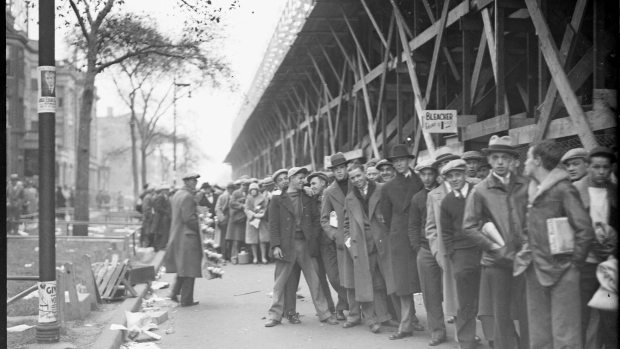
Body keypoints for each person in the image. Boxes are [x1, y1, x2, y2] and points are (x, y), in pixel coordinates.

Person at [514, 140, 594, 348]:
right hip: (535, 270)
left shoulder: (563, 189)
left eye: (529, 158)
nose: (525, 163)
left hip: (563, 272)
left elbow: (585, 229)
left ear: (538, 161)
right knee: (539, 336)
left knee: (565, 335)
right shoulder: (531, 191)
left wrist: (574, 265)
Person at [463, 135, 530, 349]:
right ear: (489, 161)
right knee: (501, 318)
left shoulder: (526, 185)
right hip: (496, 263)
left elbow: (534, 219)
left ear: (512, 160)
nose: (500, 162)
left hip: (525, 260)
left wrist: (528, 246)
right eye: (496, 157)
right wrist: (494, 247)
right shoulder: (480, 190)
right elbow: (469, 227)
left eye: (505, 157)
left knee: (528, 315)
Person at [265, 167, 339, 327]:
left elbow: (315, 218)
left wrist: (313, 237)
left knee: (315, 281)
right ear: (291, 178)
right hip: (286, 245)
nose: (303, 180)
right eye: (299, 177)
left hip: (305, 244)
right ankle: (276, 316)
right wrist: (276, 246)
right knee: (281, 283)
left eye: (303, 178)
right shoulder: (277, 199)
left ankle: (325, 314)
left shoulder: (307, 196)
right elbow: (273, 225)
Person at [573, 146, 618, 349]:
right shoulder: (576, 191)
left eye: (606, 168)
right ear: (588, 167)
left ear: (611, 169)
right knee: (580, 318)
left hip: (608, 268)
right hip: (585, 267)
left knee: (609, 318)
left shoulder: (614, 193)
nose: (601, 172)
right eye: (597, 167)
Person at [381, 144, 425, 340]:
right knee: (404, 284)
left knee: (427, 282)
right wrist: (399, 230)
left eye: (402, 160)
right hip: (400, 238)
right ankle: (406, 325)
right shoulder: (388, 187)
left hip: (420, 235)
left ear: (409, 160)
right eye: (395, 161)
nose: (399, 163)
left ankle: (437, 325)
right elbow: (387, 217)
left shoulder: (421, 180)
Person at [343, 163, 394, 333]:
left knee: (384, 281)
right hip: (362, 246)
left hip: (382, 242)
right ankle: (371, 320)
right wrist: (350, 242)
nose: (356, 180)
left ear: (365, 173)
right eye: (352, 178)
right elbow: (345, 225)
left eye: (358, 175)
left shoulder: (381, 189)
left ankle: (386, 316)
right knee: (366, 283)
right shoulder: (350, 198)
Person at [440, 159, 481, 349]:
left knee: (488, 297)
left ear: (465, 174)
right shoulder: (447, 202)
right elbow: (446, 233)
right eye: (450, 177)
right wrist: (453, 254)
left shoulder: (478, 193)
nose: (454, 179)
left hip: (483, 249)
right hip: (461, 254)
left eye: (458, 175)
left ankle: (495, 338)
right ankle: (466, 341)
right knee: (465, 299)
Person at [321, 153, 360, 328]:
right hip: (342, 240)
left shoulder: (356, 183)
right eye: (336, 169)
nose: (339, 172)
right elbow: (325, 219)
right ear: (333, 172)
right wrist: (336, 235)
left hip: (360, 236)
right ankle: (353, 312)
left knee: (363, 275)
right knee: (345, 278)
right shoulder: (329, 192)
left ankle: (365, 311)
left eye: (342, 168)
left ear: (346, 168)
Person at [409, 159, 446, 346]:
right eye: (422, 174)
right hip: (425, 249)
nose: (426, 178)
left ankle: (466, 329)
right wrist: (418, 248)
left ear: (436, 174)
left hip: (446, 247)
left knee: (453, 291)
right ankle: (438, 331)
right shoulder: (417, 198)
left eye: (429, 173)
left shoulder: (445, 193)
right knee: (430, 293)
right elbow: (413, 226)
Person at [425, 147, 461, 332]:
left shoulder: (469, 187)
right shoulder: (434, 195)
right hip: (447, 251)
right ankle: (460, 334)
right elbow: (430, 228)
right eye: (442, 165)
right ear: (439, 170)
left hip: (467, 249)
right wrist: (437, 251)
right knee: (452, 293)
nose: (447, 167)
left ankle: (467, 331)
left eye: (450, 162)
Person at [308, 171, 348, 320]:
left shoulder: (333, 195)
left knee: (339, 276)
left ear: (323, 183)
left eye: (313, 183)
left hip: (335, 240)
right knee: (327, 277)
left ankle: (344, 305)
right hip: (320, 243)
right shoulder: (311, 198)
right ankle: (334, 307)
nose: (310, 186)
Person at [165, 173, 202, 307]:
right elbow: (189, 218)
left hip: (178, 234)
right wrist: (202, 227)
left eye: (196, 181)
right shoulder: (187, 196)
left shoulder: (177, 194)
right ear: (187, 182)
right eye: (193, 181)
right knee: (189, 268)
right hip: (187, 236)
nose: (195, 183)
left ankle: (174, 293)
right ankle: (186, 300)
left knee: (183, 267)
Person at [245, 183, 270, 264]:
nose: (253, 192)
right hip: (252, 220)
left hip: (261, 220)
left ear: (257, 190)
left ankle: (263, 257)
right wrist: (253, 214)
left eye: (254, 190)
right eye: (251, 190)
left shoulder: (263, 197)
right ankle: (255, 257)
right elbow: (246, 209)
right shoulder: (248, 198)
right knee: (253, 239)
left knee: (262, 239)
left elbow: (266, 207)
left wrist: (263, 213)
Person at [227, 178, 249, 264]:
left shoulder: (249, 192)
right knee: (236, 240)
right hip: (237, 220)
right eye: (244, 185)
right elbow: (231, 202)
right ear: (241, 185)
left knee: (245, 239)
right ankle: (234, 257)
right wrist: (241, 205)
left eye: (247, 185)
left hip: (245, 219)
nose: (245, 187)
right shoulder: (236, 193)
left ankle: (245, 257)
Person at [215, 183, 235, 261]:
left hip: (233, 218)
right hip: (226, 218)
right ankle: (224, 255)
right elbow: (218, 208)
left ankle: (230, 255)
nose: (231, 190)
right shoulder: (222, 197)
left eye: (232, 188)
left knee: (231, 237)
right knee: (224, 238)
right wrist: (221, 218)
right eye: (229, 188)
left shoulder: (234, 196)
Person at [152, 184, 172, 251]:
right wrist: (166, 212)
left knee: (161, 232)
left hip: (162, 217)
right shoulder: (160, 197)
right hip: (160, 217)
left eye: (168, 190)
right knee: (159, 232)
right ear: (163, 191)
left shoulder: (165, 197)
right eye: (166, 190)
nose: (168, 191)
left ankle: (160, 246)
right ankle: (157, 247)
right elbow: (158, 207)